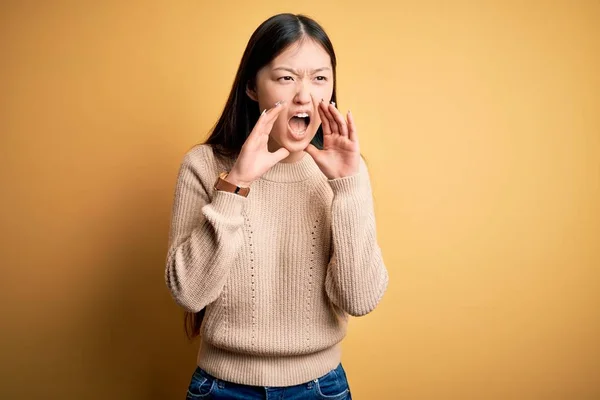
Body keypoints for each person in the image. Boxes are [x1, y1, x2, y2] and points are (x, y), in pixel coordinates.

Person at [165, 12, 389, 400]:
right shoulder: (204, 165)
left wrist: (349, 187)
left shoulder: (346, 173)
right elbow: (188, 293)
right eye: (287, 78)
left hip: (320, 389)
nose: (305, 95)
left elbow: (360, 298)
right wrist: (236, 184)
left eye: (320, 78)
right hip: (221, 389)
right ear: (253, 87)